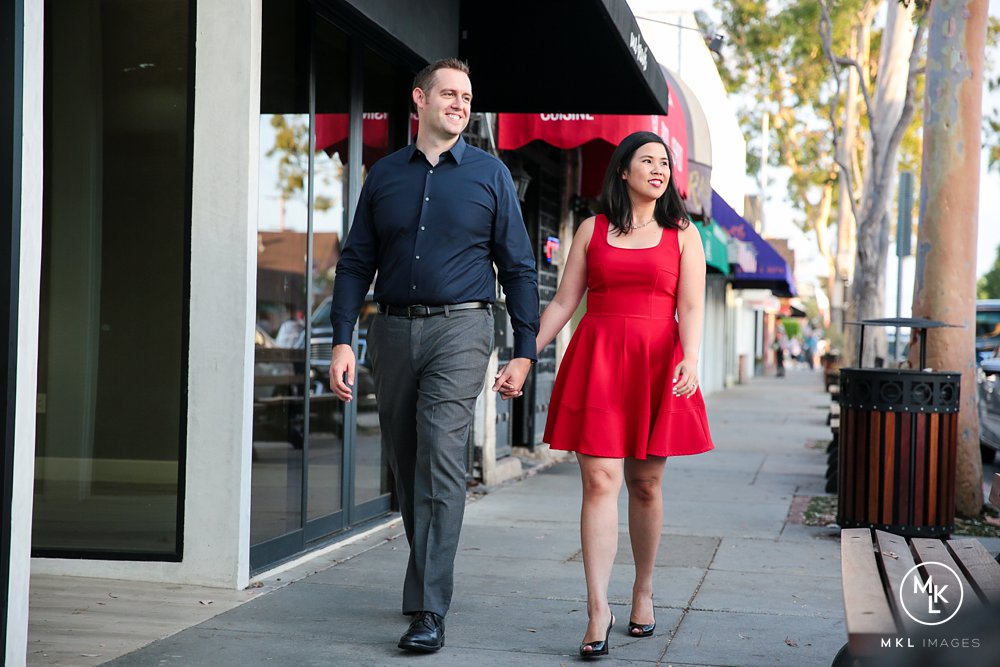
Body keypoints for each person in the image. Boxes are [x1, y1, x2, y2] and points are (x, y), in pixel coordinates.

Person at [328, 58, 539, 654]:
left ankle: (427, 608)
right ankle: (426, 581)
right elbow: (354, 262)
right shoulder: (384, 177)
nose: (460, 103)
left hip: (462, 330)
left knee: (443, 461)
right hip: (391, 332)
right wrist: (344, 336)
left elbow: (519, 268)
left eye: (467, 96)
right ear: (418, 100)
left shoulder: (491, 176)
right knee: (406, 463)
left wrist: (525, 351)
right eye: (449, 93)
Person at [496, 131, 713, 659]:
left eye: (665, 162)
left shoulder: (682, 233)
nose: (659, 169)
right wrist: (525, 355)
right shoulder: (593, 230)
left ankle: (642, 589)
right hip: (598, 361)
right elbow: (564, 302)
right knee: (598, 480)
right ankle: (597, 609)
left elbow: (692, 307)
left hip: (657, 363)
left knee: (645, 486)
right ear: (623, 171)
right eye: (648, 160)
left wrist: (690, 357)